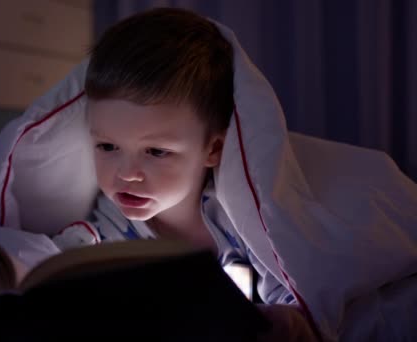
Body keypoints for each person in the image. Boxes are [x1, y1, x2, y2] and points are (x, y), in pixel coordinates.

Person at [47, 7, 318, 342]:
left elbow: (294, 294)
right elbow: (60, 259)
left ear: (213, 149)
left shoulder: (243, 223)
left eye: (157, 151)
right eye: (107, 146)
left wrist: (285, 321)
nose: (127, 174)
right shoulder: (107, 230)